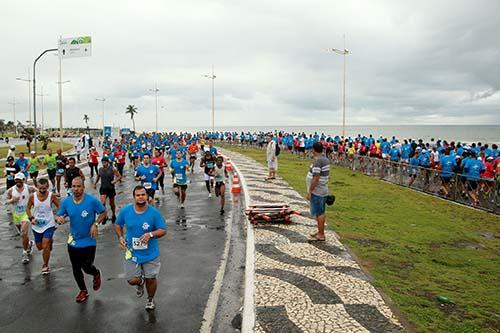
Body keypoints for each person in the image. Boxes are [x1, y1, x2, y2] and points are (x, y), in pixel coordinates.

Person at [114, 185, 167, 310]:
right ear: (134, 197)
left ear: (147, 196)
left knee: (151, 278)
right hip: (132, 253)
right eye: (138, 195)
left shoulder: (154, 213)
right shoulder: (126, 211)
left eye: (143, 194)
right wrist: (121, 238)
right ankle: (140, 283)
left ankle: (150, 299)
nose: (141, 197)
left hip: (150, 254)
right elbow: (117, 225)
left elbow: (163, 230)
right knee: (132, 280)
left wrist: (150, 234)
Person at [55, 177, 106, 303]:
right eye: (73, 186)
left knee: (86, 266)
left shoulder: (92, 201)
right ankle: (83, 290)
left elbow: (103, 213)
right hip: (73, 240)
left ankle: (96, 273)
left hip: (89, 240)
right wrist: (59, 218)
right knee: (76, 267)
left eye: (78, 186)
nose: (76, 189)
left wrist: (95, 224)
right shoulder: (67, 202)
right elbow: (59, 214)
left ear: (83, 187)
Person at [26, 178, 60, 274]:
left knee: (45, 246)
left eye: (44, 188)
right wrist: (31, 218)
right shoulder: (33, 197)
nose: (42, 191)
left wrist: (58, 216)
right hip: (36, 225)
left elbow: (60, 207)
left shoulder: (51, 196)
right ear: (37, 187)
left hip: (49, 224)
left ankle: (45, 265)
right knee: (40, 247)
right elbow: (28, 208)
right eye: (40, 188)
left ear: (47, 187)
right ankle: (49, 241)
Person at [5, 173, 36, 263]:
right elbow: (4, 201)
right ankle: (29, 243)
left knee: (24, 233)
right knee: (22, 234)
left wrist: (34, 201)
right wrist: (12, 200)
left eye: (20, 180)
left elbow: (39, 192)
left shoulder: (29, 188)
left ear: (24, 180)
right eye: (16, 180)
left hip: (26, 213)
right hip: (16, 214)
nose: (18, 182)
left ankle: (25, 253)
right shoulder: (11, 190)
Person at [306, 142, 330, 242]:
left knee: (319, 213)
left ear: (313, 150)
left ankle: (321, 234)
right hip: (323, 189)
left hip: (318, 191)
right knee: (319, 212)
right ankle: (320, 231)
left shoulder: (318, 161)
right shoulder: (325, 159)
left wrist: (310, 191)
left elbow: (316, 178)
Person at [93, 157, 122, 224]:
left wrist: (115, 181)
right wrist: (95, 183)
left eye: (105, 162)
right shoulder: (100, 169)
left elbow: (119, 176)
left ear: (107, 162)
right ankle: (104, 216)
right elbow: (98, 176)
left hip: (110, 188)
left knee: (112, 204)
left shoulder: (112, 169)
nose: (104, 163)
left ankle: (113, 214)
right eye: (103, 162)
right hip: (103, 188)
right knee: (102, 203)